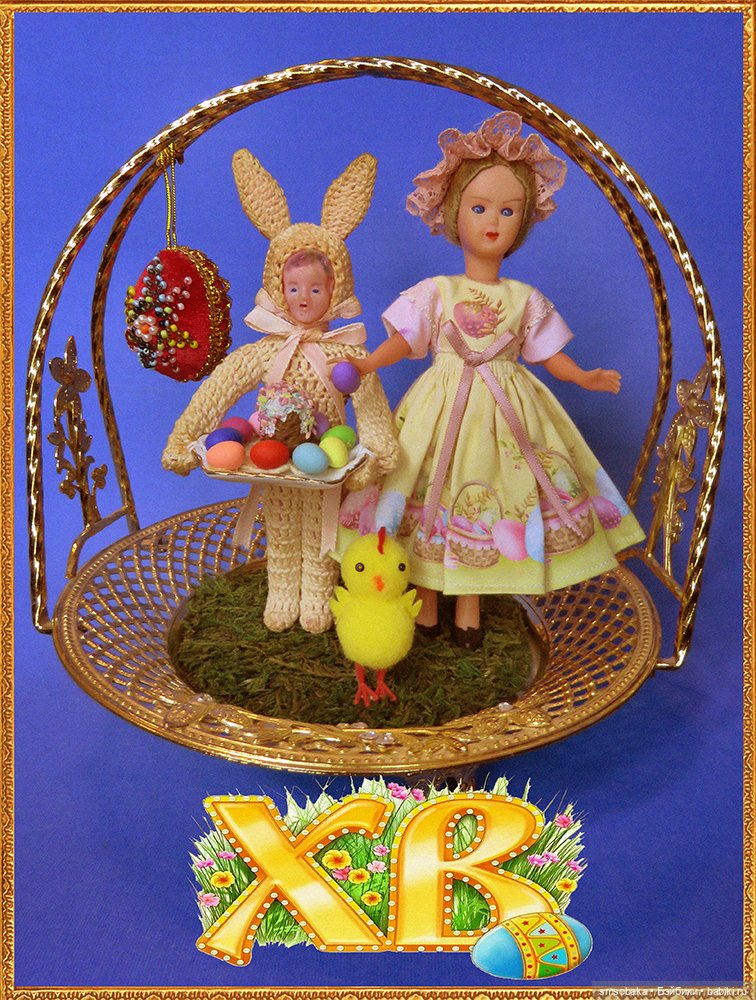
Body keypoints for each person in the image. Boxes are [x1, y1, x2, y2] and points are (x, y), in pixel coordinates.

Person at [337, 113, 644, 649]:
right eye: (479, 208)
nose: (493, 222)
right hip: (439, 407)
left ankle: (470, 612)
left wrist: (583, 376)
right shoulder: (437, 291)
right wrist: (367, 364)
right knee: (425, 488)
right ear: (454, 213)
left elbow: (548, 353)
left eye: (508, 210)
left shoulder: (524, 298)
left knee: (486, 493)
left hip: (505, 414)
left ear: (523, 222)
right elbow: (406, 340)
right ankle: (425, 603)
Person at [162, 150, 398, 633]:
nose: (304, 298)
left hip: (327, 461)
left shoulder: (347, 354)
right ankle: (282, 589)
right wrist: (184, 437)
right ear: (277, 288)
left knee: (322, 529)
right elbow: (218, 391)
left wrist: (377, 452)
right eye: (293, 288)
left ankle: (317, 593)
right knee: (282, 525)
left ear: (337, 290)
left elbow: (371, 407)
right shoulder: (264, 351)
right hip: (273, 458)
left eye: (316, 289)